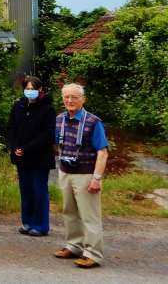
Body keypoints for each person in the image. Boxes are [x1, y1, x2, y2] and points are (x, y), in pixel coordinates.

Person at [53, 83, 109, 269]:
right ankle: (74, 246)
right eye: (67, 97)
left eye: (74, 97)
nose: (70, 100)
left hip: (85, 174)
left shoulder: (93, 121)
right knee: (69, 212)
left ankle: (92, 253)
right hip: (66, 173)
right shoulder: (59, 119)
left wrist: (96, 178)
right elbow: (57, 145)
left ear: (83, 99)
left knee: (89, 216)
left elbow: (102, 152)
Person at [7, 75, 56, 237]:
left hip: (39, 157)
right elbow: (11, 128)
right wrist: (15, 147)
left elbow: (48, 134)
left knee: (39, 190)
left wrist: (27, 148)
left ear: (40, 89)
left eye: (33, 89)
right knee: (25, 190)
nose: (30, 92)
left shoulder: (48, 109)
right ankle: (27, 222)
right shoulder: (18, 106)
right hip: (21, 156)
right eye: (27, 89)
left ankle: (40, 225)